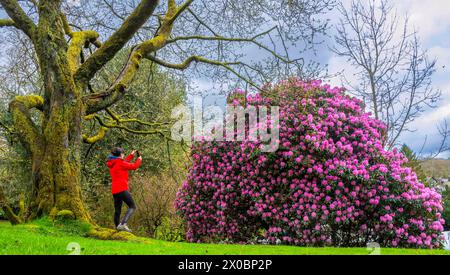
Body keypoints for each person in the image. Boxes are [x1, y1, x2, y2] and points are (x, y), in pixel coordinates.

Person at [106, 147, 142, 232]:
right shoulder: (120, 163)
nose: (124, 155)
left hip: (115, 190)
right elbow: (134, 166)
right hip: (122, 189)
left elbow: (124, 162)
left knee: (117, 210)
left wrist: (131, 155)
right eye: (123, 154)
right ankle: (122, 224)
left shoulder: (112, 163)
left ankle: (117, 229)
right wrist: (139, 159)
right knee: (132, 206)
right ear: (121, 155)